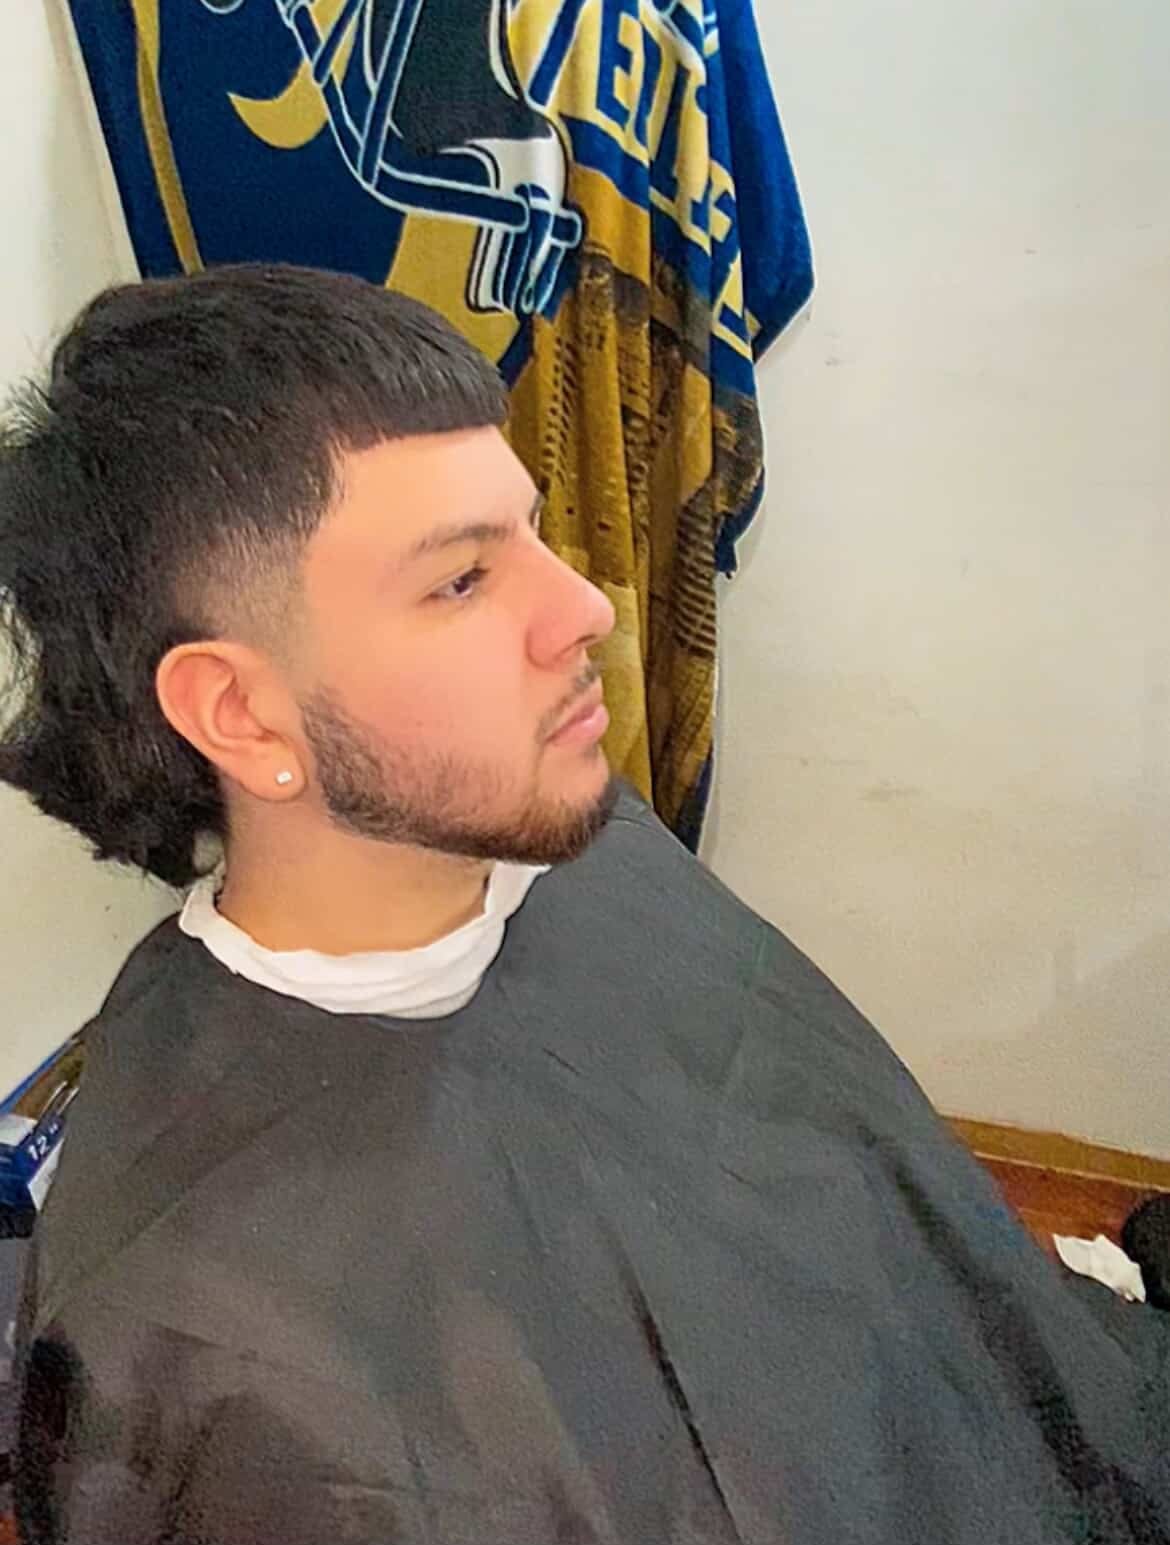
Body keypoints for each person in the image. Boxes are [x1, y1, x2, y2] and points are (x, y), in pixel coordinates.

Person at [0, 265, 1165, 1545]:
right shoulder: (190, 1330)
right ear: (242, 713)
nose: (586, 610)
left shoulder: (596, 854)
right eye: (461, 580)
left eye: (533, 532)